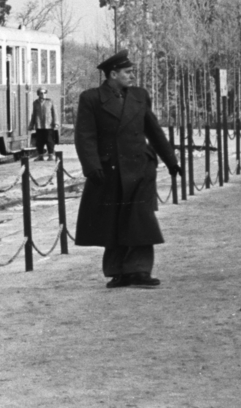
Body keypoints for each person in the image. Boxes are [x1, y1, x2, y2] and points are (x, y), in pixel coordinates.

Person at [73, 51, 182, 289]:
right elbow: (85, 136)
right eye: (127, 72)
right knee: (113, 221)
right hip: (110, 171)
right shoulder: (91, 98)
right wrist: (92, 166)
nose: (132, 76)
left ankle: (140, 271)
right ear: (113, 74)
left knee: (141, 220)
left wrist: (171, 160)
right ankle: (118, 272)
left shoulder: (139, 95)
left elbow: (153, 130)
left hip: (140, 168)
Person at [30, 87, 59, 160]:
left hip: (48, 125)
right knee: (39, 141)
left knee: (50, 141)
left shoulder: (50, 102)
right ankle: (40, 156)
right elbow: (34, 114)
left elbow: (54, 113)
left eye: (44, 93)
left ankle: (51, 155)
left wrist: (56, 122)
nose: (43, 94)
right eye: (41, 93)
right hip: (39, 125)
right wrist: (31, 125)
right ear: (38, 94)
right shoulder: (35, 103)